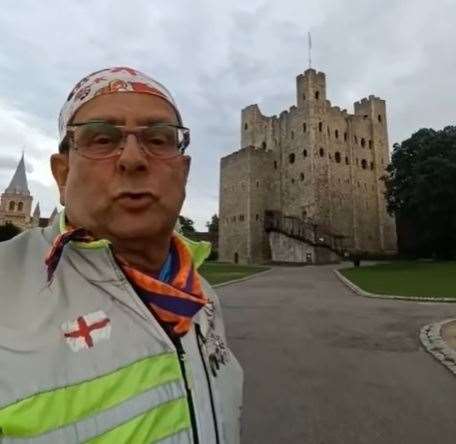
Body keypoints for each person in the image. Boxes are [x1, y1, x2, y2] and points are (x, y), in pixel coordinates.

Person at [0, 67, 243, 443]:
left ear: (184, 172)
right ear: (62, 175)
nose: (133, 159)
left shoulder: (200, 298)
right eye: (101, 138)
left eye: (159, 139)